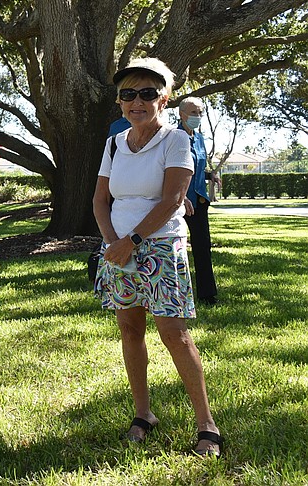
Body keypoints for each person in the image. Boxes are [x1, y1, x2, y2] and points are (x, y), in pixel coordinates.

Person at [92, 58, 223, 457]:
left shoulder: (176, 140)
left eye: (147, 93)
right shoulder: (114, 143)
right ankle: (143, 414)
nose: (137, 101)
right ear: (119, 102)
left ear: (163, 99)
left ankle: (207, 426)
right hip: (117, 248)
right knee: (130, 331)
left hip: (161, 247)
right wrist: (113, 243)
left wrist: (130, 240)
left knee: (174, 335)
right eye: (128, 94)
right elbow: (100, 200)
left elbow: (172, 201)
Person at [178, 97, 220, 304]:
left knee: (203, 247)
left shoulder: (200, 138)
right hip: (176, 202)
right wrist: (180, 196)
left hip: (199, 202)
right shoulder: (172, 137)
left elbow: (194, 168)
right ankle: (175, 293)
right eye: (193, 112)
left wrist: (210, 175)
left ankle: (207, 294)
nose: (198, 116)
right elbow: (168, 169)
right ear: (181, 114)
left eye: (200, 112)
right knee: (173, 249)